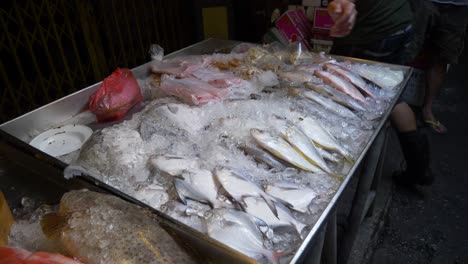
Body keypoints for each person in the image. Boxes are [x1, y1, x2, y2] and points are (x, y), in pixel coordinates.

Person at [327, 0, 433, 186]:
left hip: (372, 31)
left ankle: (339, 164)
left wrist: (343, 3)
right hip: (400, 22)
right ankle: (419, 168)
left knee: (346, 91)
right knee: (389, 95)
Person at [417, 1, 468, 134]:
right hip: (424, 2)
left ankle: (427, 109)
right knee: (408, 49)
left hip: (458, 7)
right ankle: (393, 107)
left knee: (441, 58)